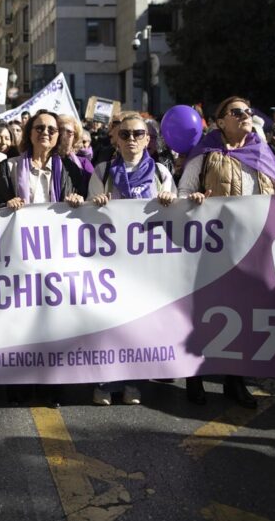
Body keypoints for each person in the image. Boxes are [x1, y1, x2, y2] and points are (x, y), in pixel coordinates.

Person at [178, 97, 275, 409]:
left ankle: (235, 381)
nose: (245, 115)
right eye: (236, 112)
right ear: (220, 122)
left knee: (244, 317)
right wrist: (192, 200)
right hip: (212, 247)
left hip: (252, 247)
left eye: (247, 111)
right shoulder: (205, 153)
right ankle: (196, 377)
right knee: (206, 314)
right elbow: (182, 192)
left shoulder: (262, 151)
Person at [0, 110, 84, 406]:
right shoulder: (9, 167)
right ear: (30, 132)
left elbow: (80, 205)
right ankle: (18, 384)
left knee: (51, 323)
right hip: (18, 257)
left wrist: (76, 202)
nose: (46, 133)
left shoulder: (68, 168)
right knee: (19, 323)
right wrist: (6, 204)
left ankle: (49, 386)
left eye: (52, 130)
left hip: (55, 258)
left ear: (59, 137)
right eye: (40, 128)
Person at [88, 112, 180, 406]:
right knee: (109, 323)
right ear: (115, 138)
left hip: (146, 265)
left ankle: (133, 383)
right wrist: (97, 205)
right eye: (125, 134)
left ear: (148, 139)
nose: (131, 139)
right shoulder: (102, 171)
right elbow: (87, 217)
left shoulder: (161, 174)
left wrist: (169, 202)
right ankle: (103, 382)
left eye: (138, 134)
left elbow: (176, 215)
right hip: (110, 262)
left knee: (139, 324)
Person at [58, 114, 94, 191]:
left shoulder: (83, 164)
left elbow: (92, 192)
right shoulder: (45, 160)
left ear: (75, 138)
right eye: (60, 129)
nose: (63, 135)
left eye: (69, 132)